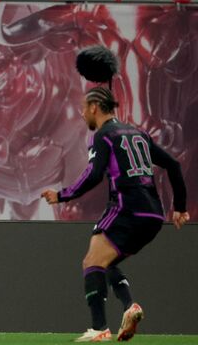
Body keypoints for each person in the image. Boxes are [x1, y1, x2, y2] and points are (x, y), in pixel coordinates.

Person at [40, 86, 188, 342]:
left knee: (92, 261)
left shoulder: (104, 135)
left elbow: (94, 174)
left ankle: (99, 329)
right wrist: (181, 208)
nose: (82, 112)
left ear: (94, 107)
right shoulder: (138, 133)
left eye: (84, 107)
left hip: (127, 207)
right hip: (153, 215)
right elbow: (173, 165)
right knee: (106, 261)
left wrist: (62, 195)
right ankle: (130, 306)